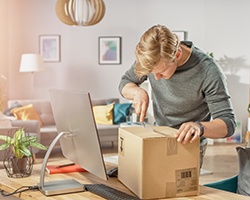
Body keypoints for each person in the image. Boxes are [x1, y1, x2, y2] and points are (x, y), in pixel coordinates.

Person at [118, 24, 236, 167]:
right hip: (158, 137)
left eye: (161, 72)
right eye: (152, 73)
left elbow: (228, 124)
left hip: (189, 145)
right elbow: (125, 82)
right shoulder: (151, 57)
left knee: (178, 189)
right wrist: (137, 91)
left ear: (177, 55)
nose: (155, 78)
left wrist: (199, 127)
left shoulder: (208, 71)